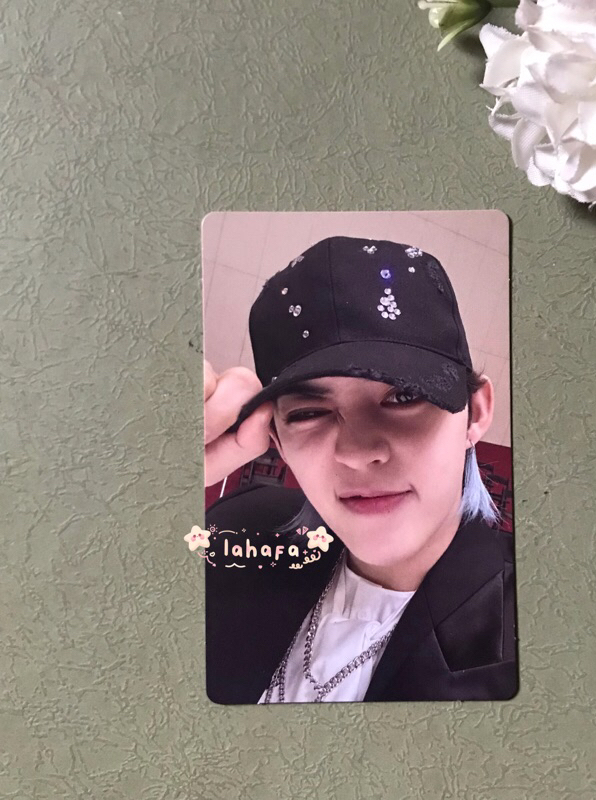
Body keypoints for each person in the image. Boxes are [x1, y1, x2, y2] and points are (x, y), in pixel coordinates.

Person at [204, 236, 518, 703]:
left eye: (404, 396)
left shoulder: (539, 625)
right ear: (277, 439)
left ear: (476, 412)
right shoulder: (231, 537)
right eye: (308, 413)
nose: (357, 452)